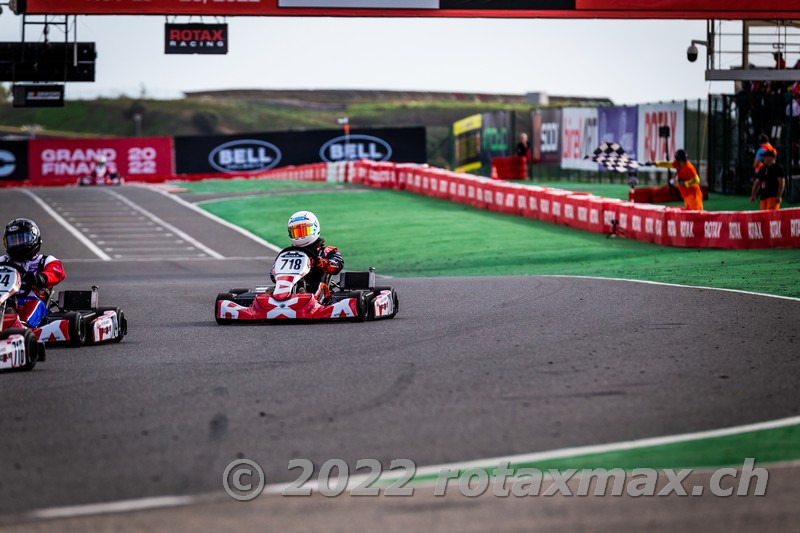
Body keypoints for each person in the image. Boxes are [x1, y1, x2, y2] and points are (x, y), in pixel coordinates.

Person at [1, 218, 66, 328]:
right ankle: (8, 320)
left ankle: (24, 327)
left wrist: (40, 278)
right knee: (7, 307)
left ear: (33, 239)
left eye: (21, 239)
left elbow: (57, 272)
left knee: (35, 304)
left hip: (32, 300)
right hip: (6, 300)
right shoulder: (3, 261)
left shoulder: (45, 261)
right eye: (13, 241)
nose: (17, 244)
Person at [272, 211, 343, 304]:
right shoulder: (287, 253)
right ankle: (277, 299)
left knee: (317, 286)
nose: (300, 236)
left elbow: (338, 264)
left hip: (320, 289)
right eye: (297, 232)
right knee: (273, 290)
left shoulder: (327, 251)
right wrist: (276, 273)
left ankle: (306, 299)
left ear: (314, 228)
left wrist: (323, 263)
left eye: (304, 231)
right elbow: (273, 276)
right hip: (291, 287)